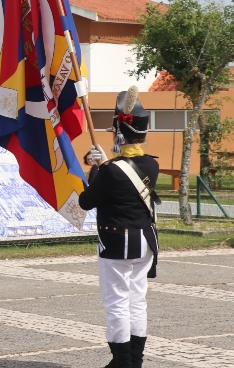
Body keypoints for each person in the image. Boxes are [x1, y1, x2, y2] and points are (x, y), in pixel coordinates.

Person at [79, 86, 159, 368]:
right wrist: (104, 164)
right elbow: (124, 172)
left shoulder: (111, 170)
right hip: (145, 243)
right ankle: (135, 360)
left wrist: (96, 168)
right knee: (137, 301)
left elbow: (87, 200)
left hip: (117, 245)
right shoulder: (151, 165)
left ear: (119, 134)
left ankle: (122, 361)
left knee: (116, 303)